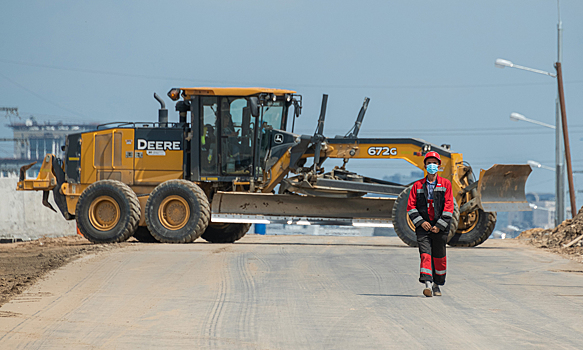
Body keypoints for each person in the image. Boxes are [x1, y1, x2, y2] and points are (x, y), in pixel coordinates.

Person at [406, 151, 454, 297]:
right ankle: (427, 284)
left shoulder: (446, 184)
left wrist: (439, 226)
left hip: (440, 228)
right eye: (429, 163)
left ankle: (437, 285)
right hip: (423, 228)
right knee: (425, 255)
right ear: (425, 166)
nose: (432, 166)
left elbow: (449, 207)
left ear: (439, 166)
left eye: (434, 163)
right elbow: (411, 207)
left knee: (439, 258)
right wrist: (421, 222)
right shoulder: (417, 186)